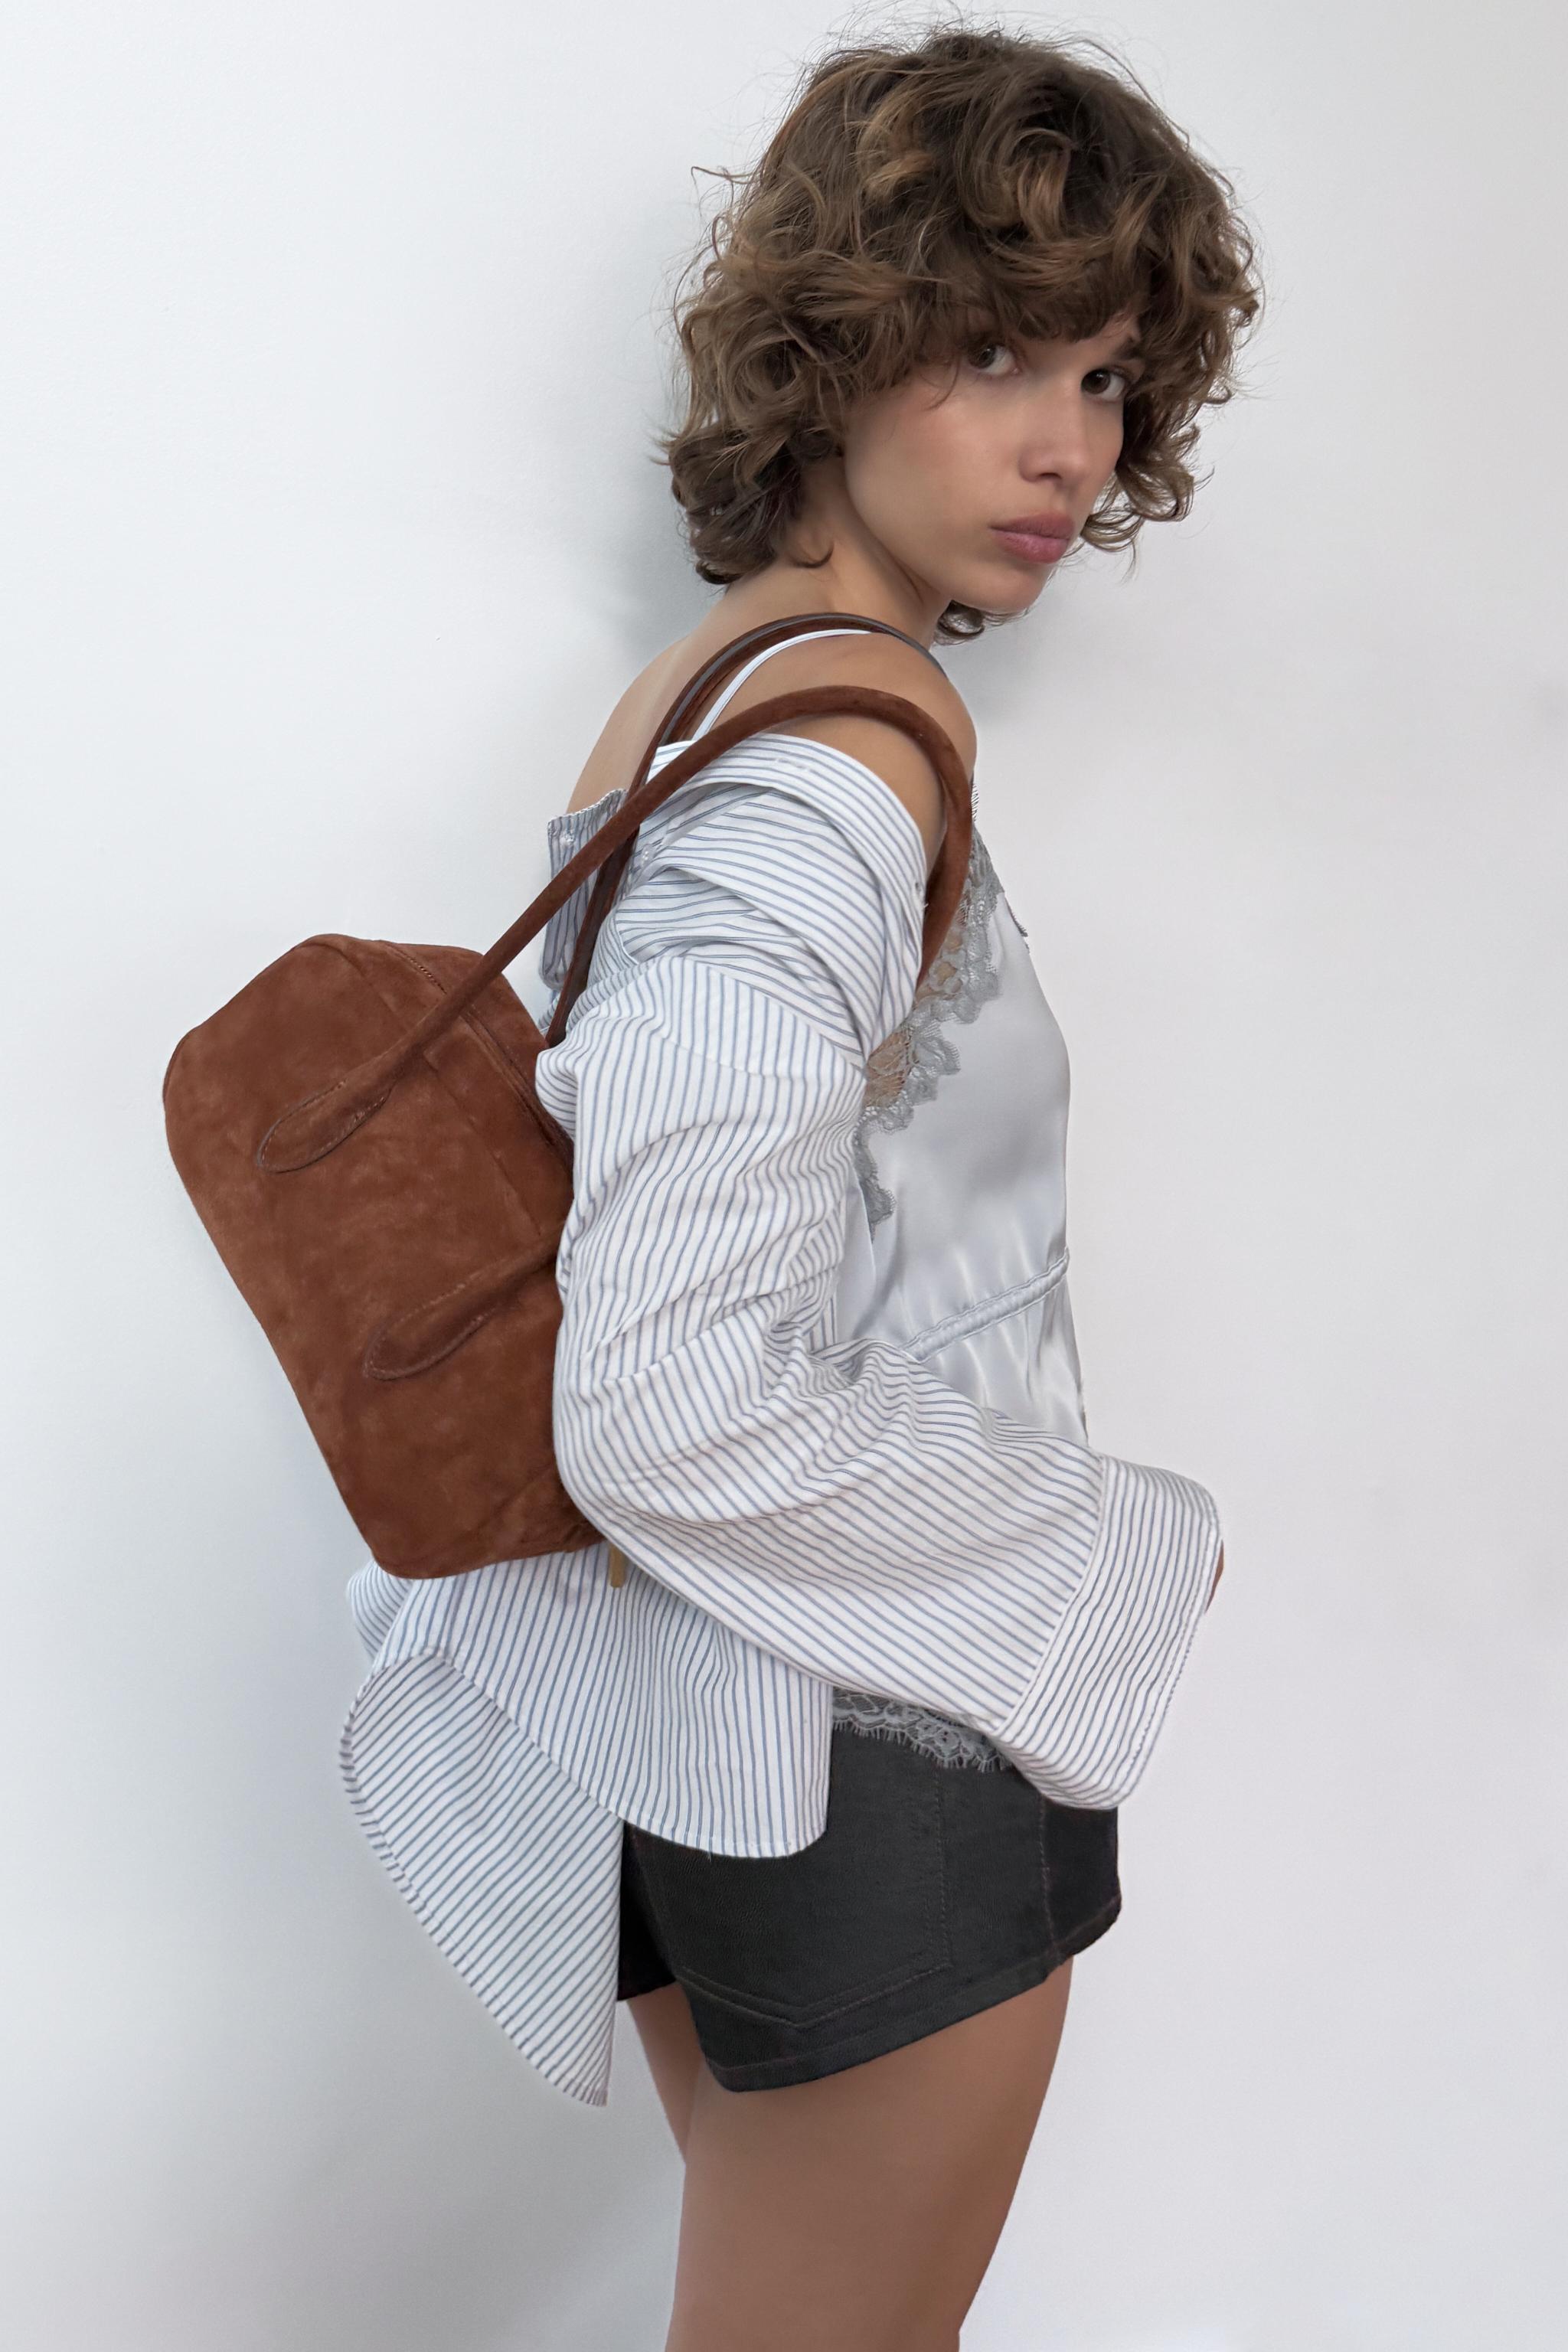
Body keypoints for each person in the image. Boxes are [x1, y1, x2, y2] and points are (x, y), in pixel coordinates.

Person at [341, 24, 1259, 2349]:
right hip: (879, 1745)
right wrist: (1108, 1541)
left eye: (1107, 378)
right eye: (993, 354)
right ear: (833, 346)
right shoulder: (826, 768)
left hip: (732, 1727)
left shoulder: (717, 699)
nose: (1070, 447)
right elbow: (661, 1399)